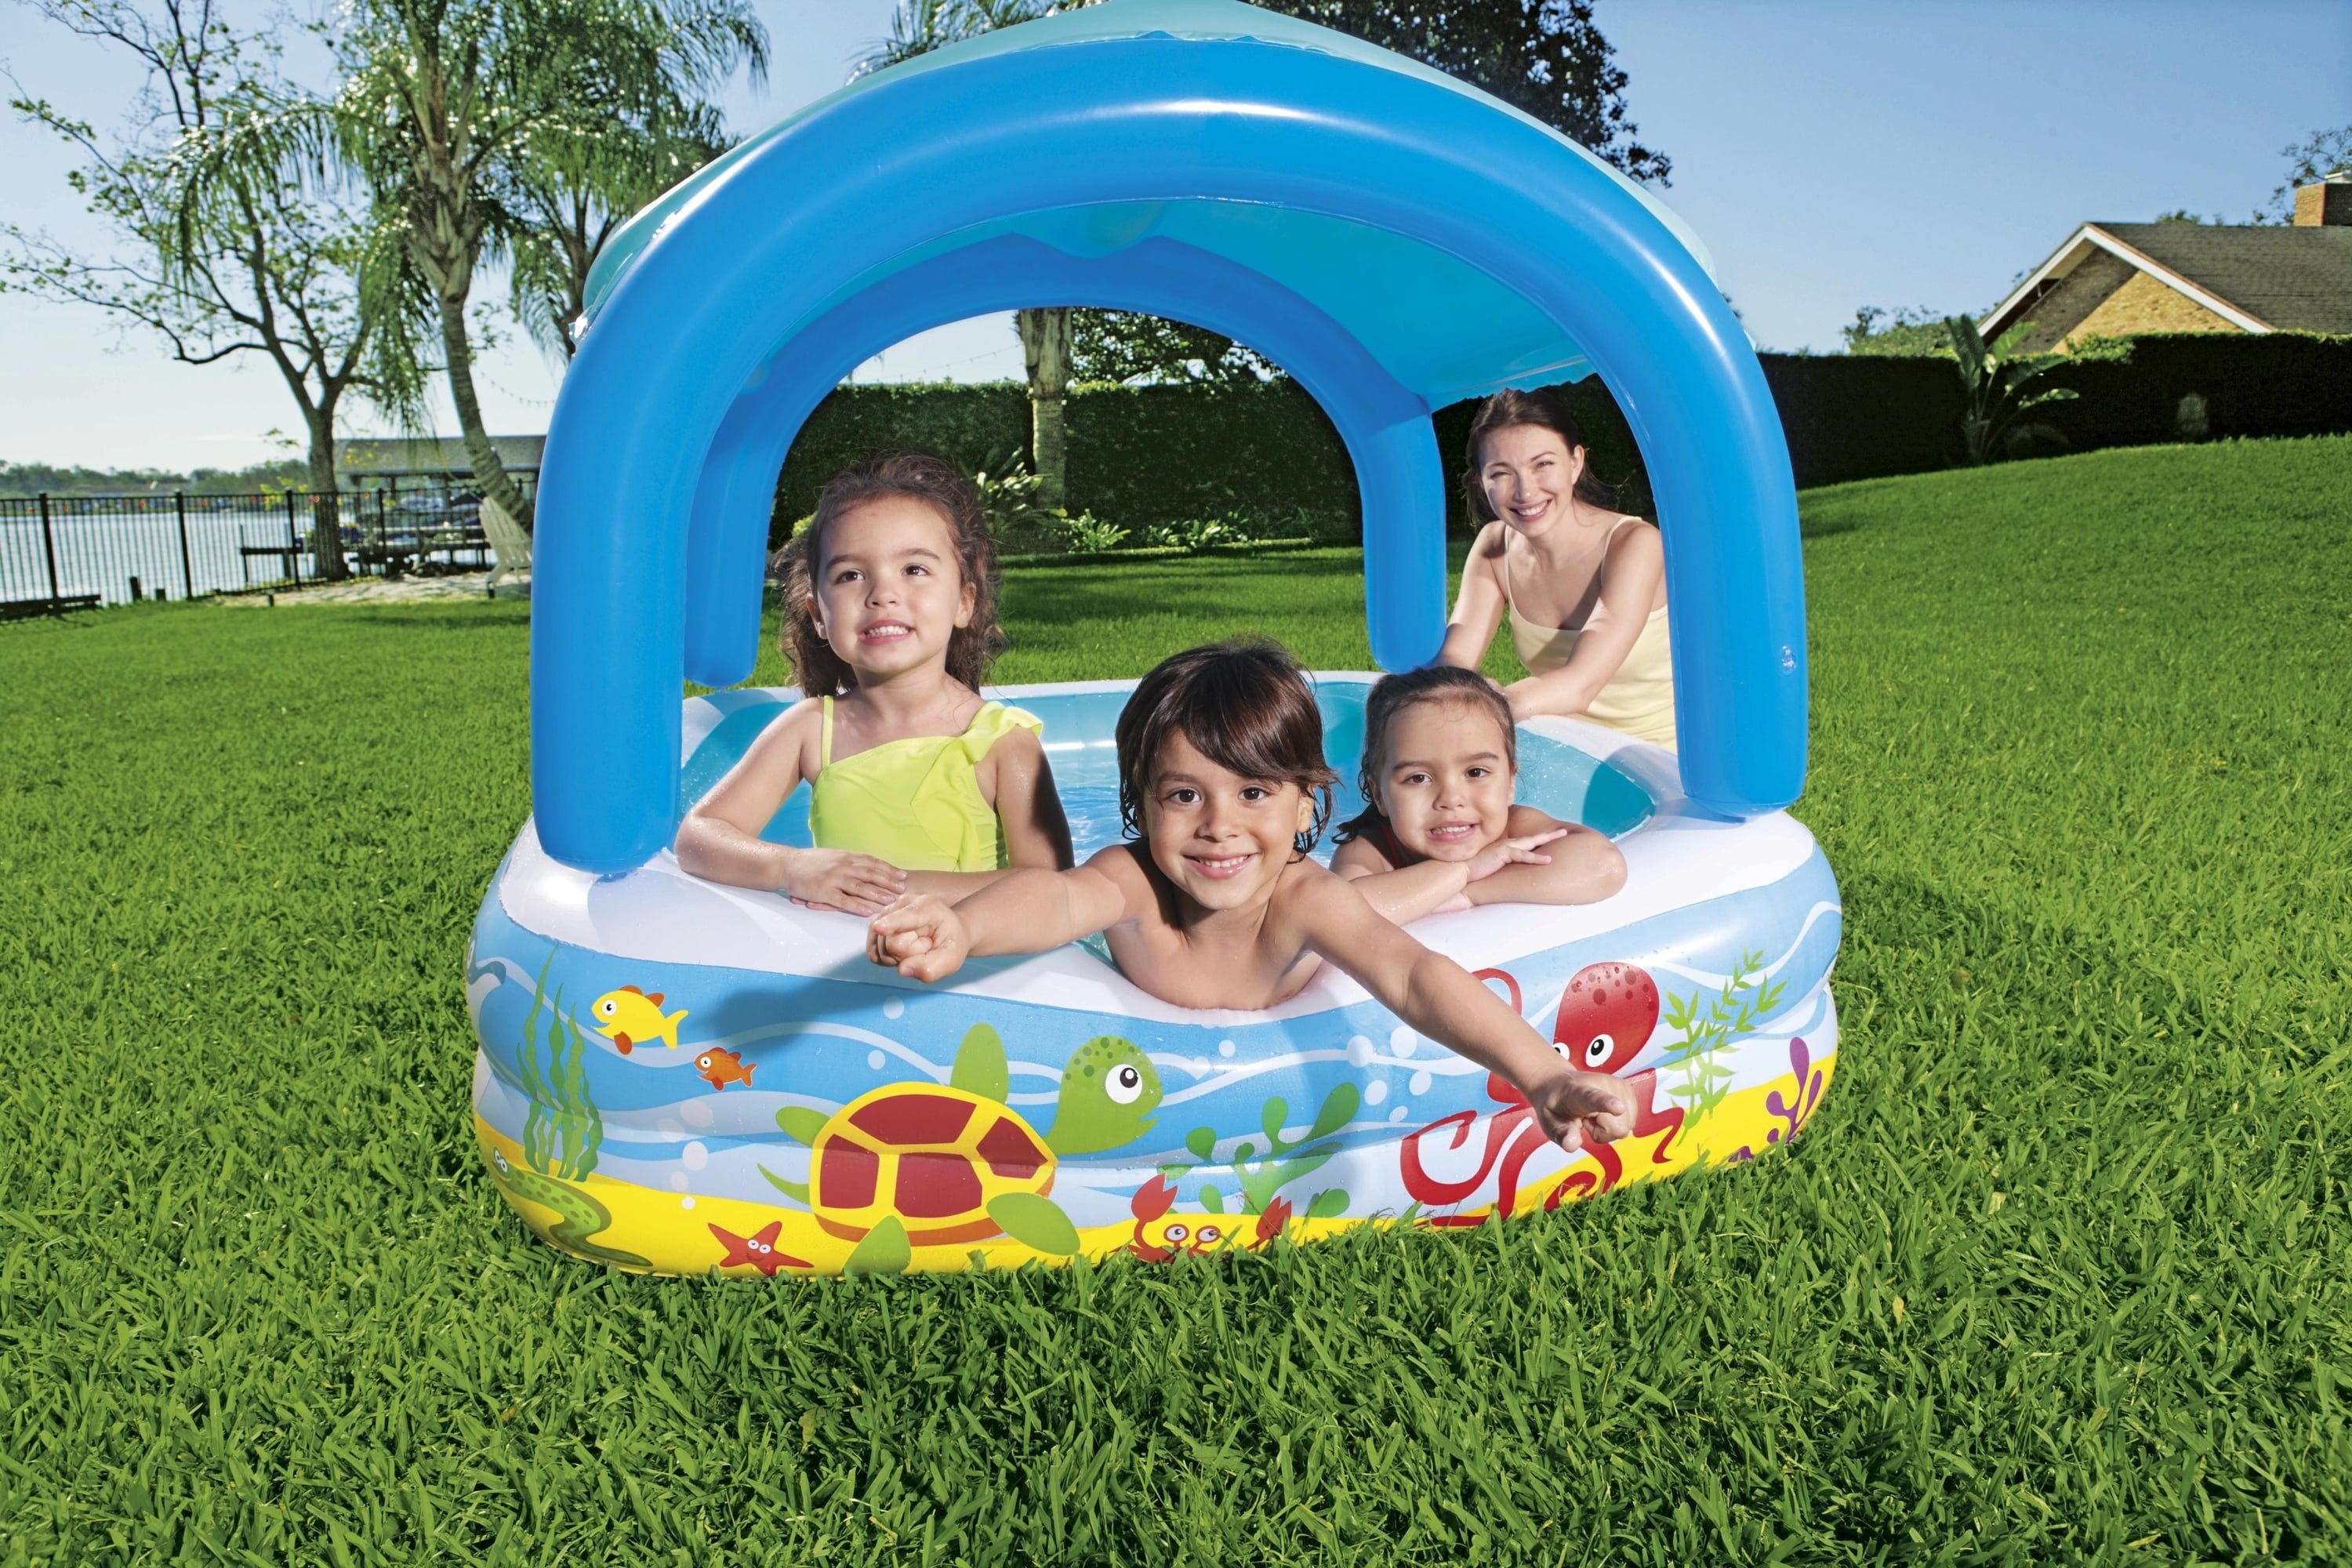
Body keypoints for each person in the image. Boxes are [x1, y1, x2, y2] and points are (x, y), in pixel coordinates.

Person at [866, 641, 1635, 1154]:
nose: (1219, 826)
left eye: (1254, 792)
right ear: (1139, 804)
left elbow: (1413, 974)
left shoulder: (1303, 898)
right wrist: (965, 928)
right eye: (1183, 795)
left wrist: (1543, 1074)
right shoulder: (1133, 881)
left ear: (1305, 807)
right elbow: (1056, 902)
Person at [675, 450, 1072, 915]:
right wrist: (791, 867)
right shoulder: (810, 730)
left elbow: (1052, 886)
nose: (882, 594)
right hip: (840, 952)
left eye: (914, 570)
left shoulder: (1000, 743)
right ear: (818, 615)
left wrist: (882, 889)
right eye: (851, 575)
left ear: (964, 601)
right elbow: (698, 837)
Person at [1437, 388, 1676, 747]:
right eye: (1501, 473)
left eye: (1543, 465)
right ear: (1481, 480)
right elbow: (1454, 658)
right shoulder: (1494, 546)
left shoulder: (1635, 544)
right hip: (1563, 749)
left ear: (1575, 463)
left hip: (1658, 756)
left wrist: (1487, 704)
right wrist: (1448, 690)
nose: (1525, 491)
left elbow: (1581, 684)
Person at [1330, 665, 1625, 924]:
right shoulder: (1372, 850)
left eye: (1475, 773)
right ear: (1379, 794)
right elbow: (1337, 915)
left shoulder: (1516, 829)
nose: (1451, 799)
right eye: (1418, 778)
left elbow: (1603, 865)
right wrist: (1465, 871)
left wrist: (1471, 891)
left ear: (1510, 783)